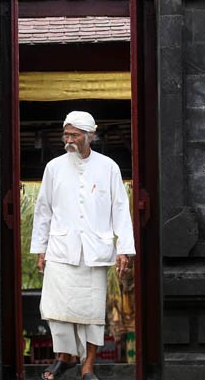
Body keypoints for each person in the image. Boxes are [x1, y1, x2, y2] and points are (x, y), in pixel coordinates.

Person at [31, 110, 136, 380]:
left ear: (90, 135)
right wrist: (40, 250)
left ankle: (87, 366)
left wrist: (124, 249)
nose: (68, 139)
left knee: (91, 314)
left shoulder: (108, 167)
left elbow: (120, 210)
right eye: (66, 134)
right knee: (57, 310)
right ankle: (64, 358)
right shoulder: (54, 167)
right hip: (60, 250)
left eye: (74, 135)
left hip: (94, 252)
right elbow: (43, 211)